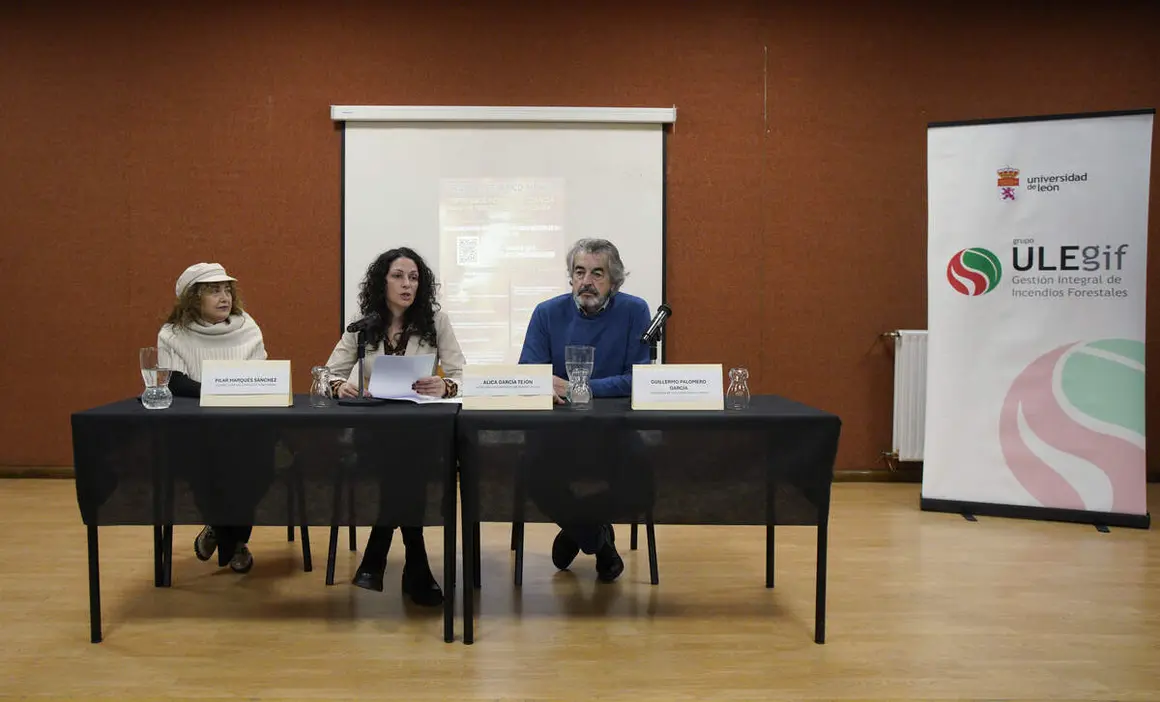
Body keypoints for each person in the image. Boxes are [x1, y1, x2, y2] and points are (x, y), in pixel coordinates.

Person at [325, 247, 464, 606]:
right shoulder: (363, 326)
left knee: (405, 466)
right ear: (381, 282)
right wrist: (340, 385)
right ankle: (416, 567)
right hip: (374, 432)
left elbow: (462, 374)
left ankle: (377, 553)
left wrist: (444, 385)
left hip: (422, 432)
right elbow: (326, 374)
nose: (407, 284)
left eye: (414, 277)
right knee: (406, 471)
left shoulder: (436, 322)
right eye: (398, 276)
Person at [518, 238, 652, 582]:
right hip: (558, 432)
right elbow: (528, 374)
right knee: (530, 474)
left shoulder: (635, 311)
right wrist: (545, 385)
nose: (586, 281)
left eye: (597, 273)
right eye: (579, 272)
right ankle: (597, 540)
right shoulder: (547, 313)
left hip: (615, 430)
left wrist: (581, 388)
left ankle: (576, 527)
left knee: (644, 478)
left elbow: (639, 379)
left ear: (614, 280)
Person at [157, 262, 268, 574]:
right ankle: (236, 542)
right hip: (196, 431)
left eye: (227, 290)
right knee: (209, 466)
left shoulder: (247, 326)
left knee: (260, 464)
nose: (225, 297)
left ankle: (222, 531)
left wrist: (225, 390)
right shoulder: (172, 334)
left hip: (244, 429)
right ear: (193, 298)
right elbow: (173, 381)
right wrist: (225, 388)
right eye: (214, 291)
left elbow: (261, 375)